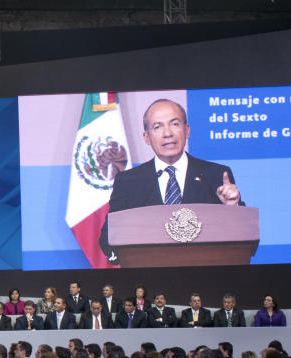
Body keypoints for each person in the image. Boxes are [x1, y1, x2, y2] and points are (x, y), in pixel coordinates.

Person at [99, 98, 243, 262]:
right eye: (157, 126)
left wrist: (233, 209)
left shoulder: (216, 175)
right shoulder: (129, 181)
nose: (167, 133)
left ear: (187, 130)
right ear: (146, 137)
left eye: (174, 124)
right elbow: (108, 238)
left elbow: (243, 236)